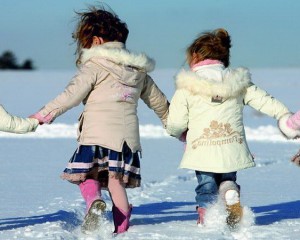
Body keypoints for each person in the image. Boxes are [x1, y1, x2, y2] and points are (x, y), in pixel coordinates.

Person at [31, 6, 169, 234]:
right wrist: (177, 128)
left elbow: (70, 96)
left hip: (95, 135)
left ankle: (94, 201)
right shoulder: (140, 72)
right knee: (116, 183)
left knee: (87, 175)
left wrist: (44, 114)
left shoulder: (94, 66)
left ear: (95, 41)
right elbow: (160, 104)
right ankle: (122, 228)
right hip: (126, 141)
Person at [166, 28, 297, 229]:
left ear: (195, 56)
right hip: (231, 145)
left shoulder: (187, 85)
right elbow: (265, 101)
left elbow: (176, 121)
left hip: (201, 148)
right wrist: (284, 116)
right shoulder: (239, 82)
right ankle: (230, 192)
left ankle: (206, 219)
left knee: (206, 186)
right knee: (227, 178)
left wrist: (177, 132)